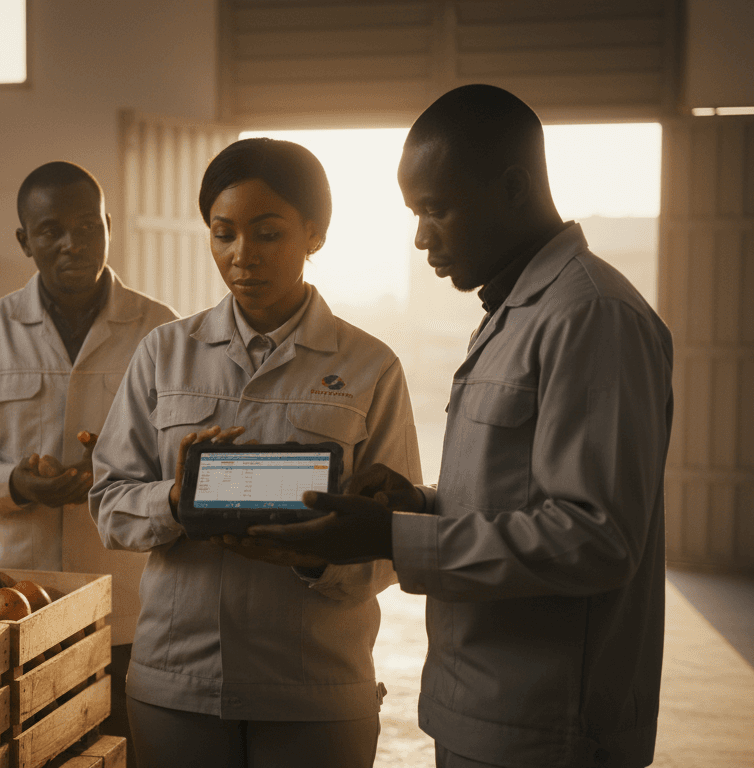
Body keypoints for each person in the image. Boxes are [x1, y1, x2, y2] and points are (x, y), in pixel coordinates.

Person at [242, 85, 674, 768]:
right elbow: (519, 499)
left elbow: (596, 537)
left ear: (513, 189)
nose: (421, 238)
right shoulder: (515, 312)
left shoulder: (590, 316)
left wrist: (391, 538)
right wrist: (415, 504)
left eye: (435, 210)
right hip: (483, 706)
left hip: (548, 730)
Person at [88, 137, 423, 768]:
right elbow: (108, 502)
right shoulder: (165, 353)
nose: (242, 255)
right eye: (224, 234)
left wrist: (315, 558)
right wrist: (176, 502)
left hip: (314, 685)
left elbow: (397, 538)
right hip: (178, 680)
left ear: (314, 234)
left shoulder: (369, 367)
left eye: (268, 233)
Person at [0, 161, 178, 756]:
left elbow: (180, 459)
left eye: (89, 226)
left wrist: (119, 480)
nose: (73, 243)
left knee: (124, 745)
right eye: (51, 230)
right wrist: (13, 482)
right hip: (12, 592)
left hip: (128, 598)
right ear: (25, 240)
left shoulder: (159, 330)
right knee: (23, 748)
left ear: (109, 227)